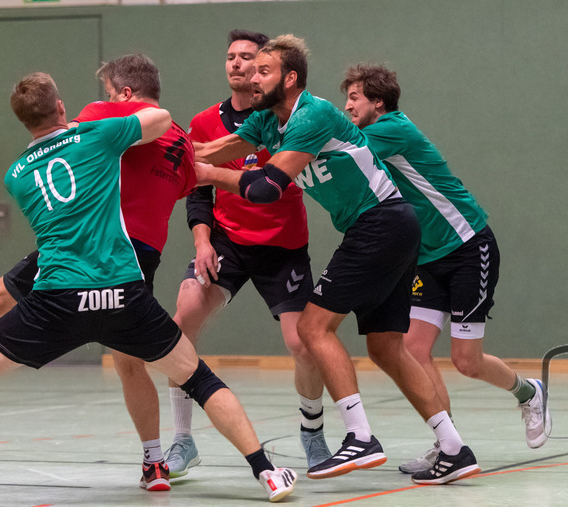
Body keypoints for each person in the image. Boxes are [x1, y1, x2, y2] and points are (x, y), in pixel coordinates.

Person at [0, 72, 296, 507]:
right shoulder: (97, 137)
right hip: (124, 293)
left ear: (23, 122)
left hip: (57, 299)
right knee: (199, 378)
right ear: (61, 107)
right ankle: (267, 473)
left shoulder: (15, 175)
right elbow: (161, 119)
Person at [0, 54, 197, 491]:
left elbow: (65, 138)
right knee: (129, 364)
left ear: (124, 94)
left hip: (89, 246)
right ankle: (154, 462)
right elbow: (193, 172)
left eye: (108, 92)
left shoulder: (100, 117)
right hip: (139, 253)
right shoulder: (179, 140)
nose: (101, 100)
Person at [193, 34, 479, 485]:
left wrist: (208, 175)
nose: (251, 75)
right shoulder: (267, 120)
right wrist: (163, 152)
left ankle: (360, 436)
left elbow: (266, 188)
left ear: (290, 78)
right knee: (386, 347)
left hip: (380, 222)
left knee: (312, 328)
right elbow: (212, 151)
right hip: (392, 226)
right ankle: (454, 447)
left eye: (263, 70)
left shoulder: (314, 115)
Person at [341, 63, 551, 472]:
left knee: (467, 361)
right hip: (425, 257)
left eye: (354, 98)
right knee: (413, 349)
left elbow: (340, 150)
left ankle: (529, 393)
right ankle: (448, 444)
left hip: (468, 247)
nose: (347, 106)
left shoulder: (392, 129)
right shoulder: (375, 133)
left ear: (377, 102)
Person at [167, 30, 329, 476]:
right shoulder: (204, 121)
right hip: (227, 244)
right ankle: (182, 439)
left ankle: (313, 433)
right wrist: (202, 242)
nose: (238, 64)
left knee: (303, 344)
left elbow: (259, 184)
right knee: (183, 317)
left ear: (268, 71)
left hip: (283, 246)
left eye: (249, 59)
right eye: (231, 57)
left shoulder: (284, 117)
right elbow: (197, 190)